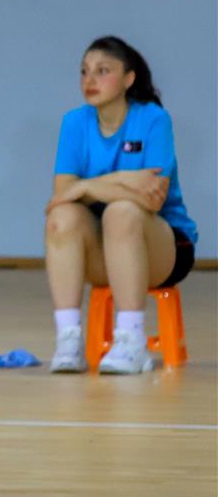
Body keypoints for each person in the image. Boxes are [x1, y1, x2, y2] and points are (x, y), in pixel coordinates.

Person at [45, 36, 198, 375]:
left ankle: (131, 340)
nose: (90, 80)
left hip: (163, 249)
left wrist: (86, 186)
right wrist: (122, 181)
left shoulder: (153, 119)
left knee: (122, 212)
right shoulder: (74, 122)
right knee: (62, 217)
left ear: (129, 78)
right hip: (103, 250)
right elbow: (61, 195)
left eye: (103, 71)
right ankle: (68, 339)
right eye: (84, 71)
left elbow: (153, 197)